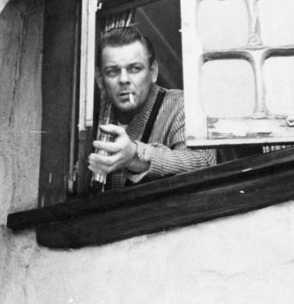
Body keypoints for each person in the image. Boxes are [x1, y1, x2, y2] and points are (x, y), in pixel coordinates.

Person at [88, 26, 216, 189]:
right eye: (113, 71)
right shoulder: (91, 118)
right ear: (100, 79)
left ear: (153, 71)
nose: (124, 80)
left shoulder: (183, 105)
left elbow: (203, 161)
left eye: (135, 69)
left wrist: (135, 156)